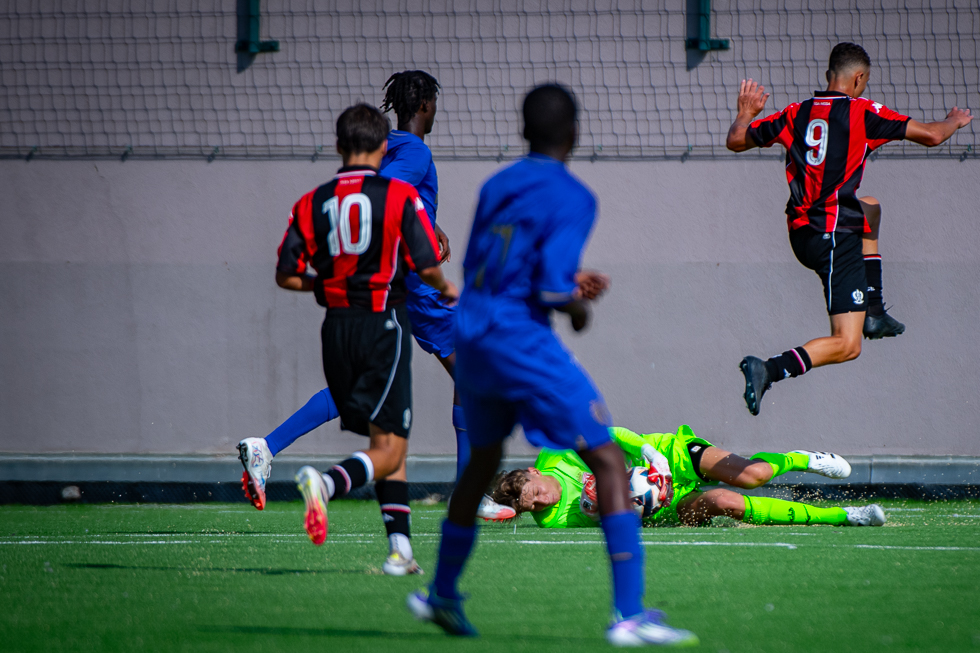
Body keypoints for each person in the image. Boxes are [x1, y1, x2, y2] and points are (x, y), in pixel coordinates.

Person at [406, 84, 697, 647]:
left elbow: (493, 263)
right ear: (575, 134)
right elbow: (545, 285)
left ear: (522, 131)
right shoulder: (573, 196)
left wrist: (562, 284)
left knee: (482, 463)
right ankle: (629, 616)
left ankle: (441, 591)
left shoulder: (497, 185)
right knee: (609, 462)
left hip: (473, 329)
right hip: (520, 338)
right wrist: (579, 304)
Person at [236, 72, 513, 562]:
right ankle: (469, 497)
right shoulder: (414, 151)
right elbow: (384, 196)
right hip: (416, 286)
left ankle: (268, 446)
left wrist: (430, 222)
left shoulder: (384, 151)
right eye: (434, 102)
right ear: (427, 103)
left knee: (369, 392)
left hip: (378, 294)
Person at [726, 42, 974, 415]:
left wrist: (745, 113)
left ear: (828, 76)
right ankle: (768, 370)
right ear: (858, 79)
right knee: (847, 344)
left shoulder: (797, 112)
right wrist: (954, 120)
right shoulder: (862, 113)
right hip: (834, 239)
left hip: (802, 233)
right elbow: (933, 135)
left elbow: (736, 140)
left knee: (870, 209)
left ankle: (873, 308)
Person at [273, 104, 457, 576]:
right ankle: (327, 483)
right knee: (392, 448)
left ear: (338, 147)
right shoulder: (397, 194)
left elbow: (287, 275)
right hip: (383, 324)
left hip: (335, 328)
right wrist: (445, 286)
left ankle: (401, 550)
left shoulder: (311, 202)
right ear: (382, 148)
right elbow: (425, 260)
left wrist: (328, 285)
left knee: (384, 439)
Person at [491, 425, 886, 528]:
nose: (544, 501)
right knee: (727, 502)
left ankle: (799, 458)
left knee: (752, 476)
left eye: (538, 491)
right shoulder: (552, 519)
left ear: (532, 472)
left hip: (668, 458)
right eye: (536, 505)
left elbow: (606, 434)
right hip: (661, 507)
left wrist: (648, 454)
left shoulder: (555, 454)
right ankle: (846, 515)